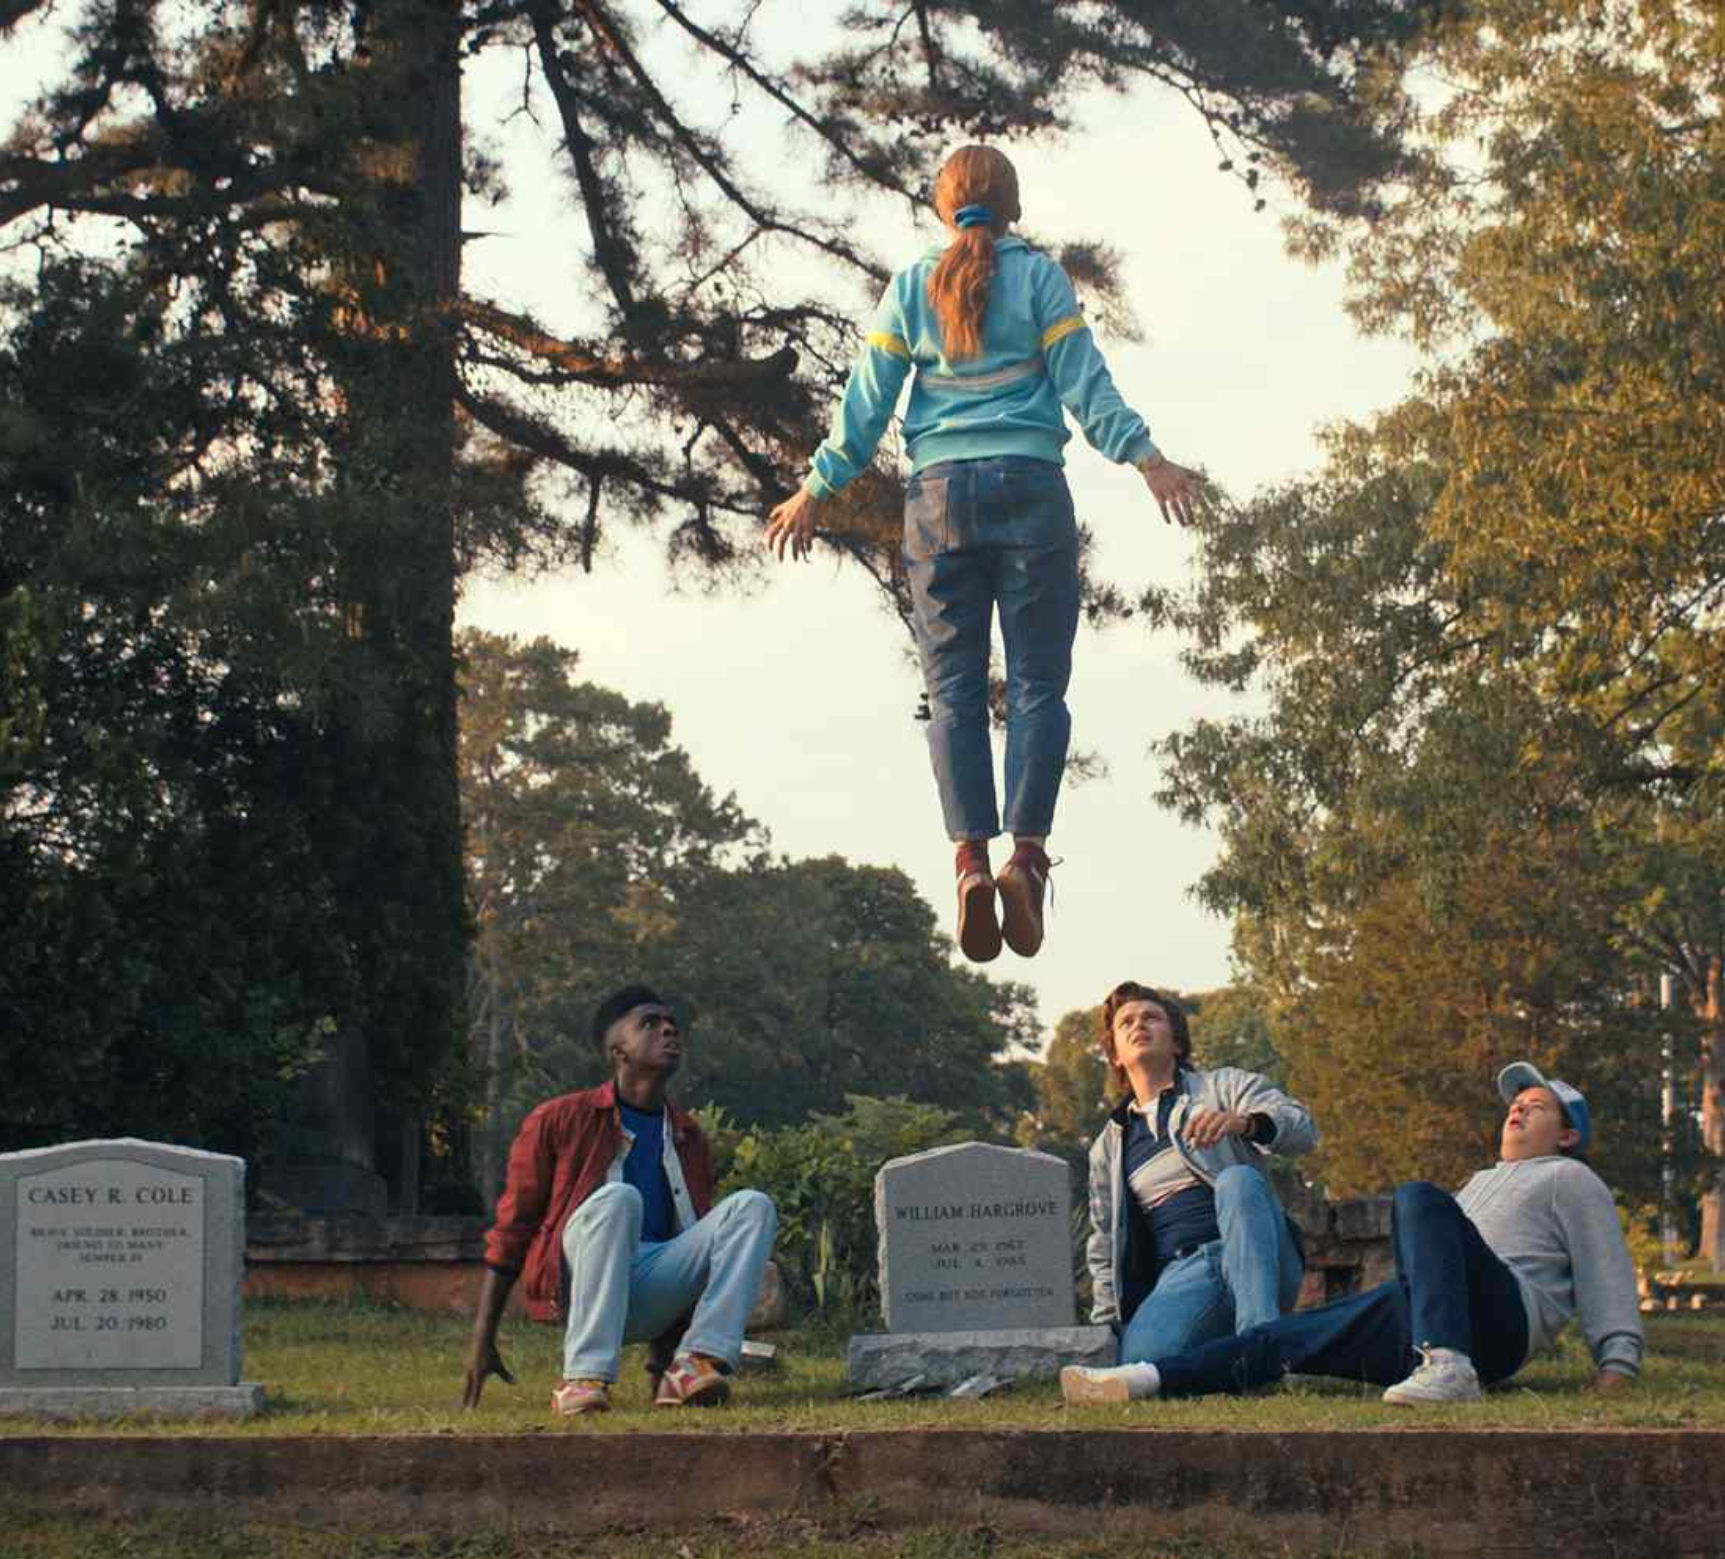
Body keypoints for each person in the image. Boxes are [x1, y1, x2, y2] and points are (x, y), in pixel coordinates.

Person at [765, 145, 1205, 964]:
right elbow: (1085, 383)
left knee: (953, 692)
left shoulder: (910, 287)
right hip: (1031, 489)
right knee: (1039, 685)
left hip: (938, 502)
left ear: (943, 207)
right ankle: (1026, 860)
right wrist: (1148, 459)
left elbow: (864, 409)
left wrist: (815, 489)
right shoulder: (1039, 280)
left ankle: (969, 862)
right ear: (1013, 207)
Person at [1062, 1060, 1643, 1406]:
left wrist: (1617, 1366)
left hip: (1500, 1323)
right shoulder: (1478, 1184)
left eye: (1535, 1106)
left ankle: (1448, 1365)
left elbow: (1605, 1268)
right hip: (1425, 1318)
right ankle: (1141, 1380)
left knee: (1417, 1196)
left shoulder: (1571, 1179)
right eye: (1515, 1102)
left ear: (1567, 1135)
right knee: (1281, 1339)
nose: (1516, 1109)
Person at [460, 985, 777, 1417]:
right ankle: (583, 1379)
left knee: (752, 1206)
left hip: (651, 1292)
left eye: (672, 1025)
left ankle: (693, 1365)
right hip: (582, 1285)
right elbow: (513, 1228)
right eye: (649, 1024)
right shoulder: (559, 1119)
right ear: (617, 1051)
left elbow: (685, 1239)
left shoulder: (688, 1136)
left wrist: (659, 1361)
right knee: (619, 1199)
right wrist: (483, 1338)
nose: (668, 1030)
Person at [1085, 981, 1319, 1365]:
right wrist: (1106, 1329)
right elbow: (1104, 1244)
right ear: (1115, 1055)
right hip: (1185, 1272)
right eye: (1125, 1022)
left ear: (1176, 1043)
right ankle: (1230, 1355)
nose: (1138, 1025)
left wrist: (1242, 1123)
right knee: (1143, 1359)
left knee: (1237, 1180)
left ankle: (1261, 1350)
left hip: (1256, 1249)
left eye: (1151, 1017)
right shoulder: (1108, 1147)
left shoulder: (1223, 1086)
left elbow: (1302, 1129)